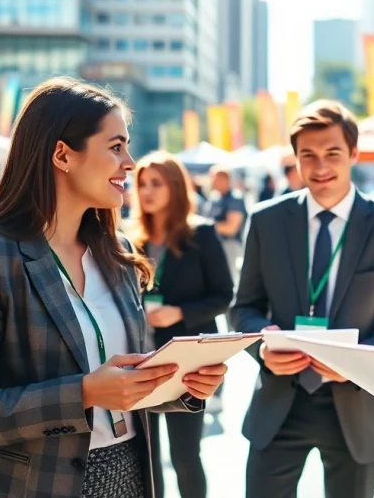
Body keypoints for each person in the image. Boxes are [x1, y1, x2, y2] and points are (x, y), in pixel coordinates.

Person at [0, 77, 228, 498]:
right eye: (115, 147)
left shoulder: (118, 251)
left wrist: (183, 385)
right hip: (30, 485)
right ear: (62, 155)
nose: (130, 163)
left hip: (127, 475)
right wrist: (84, 393)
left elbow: (123, 382)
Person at [229, 100, 374, 498]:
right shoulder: (266, 221)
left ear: (354, 154)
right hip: (279, 403)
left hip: (356, 409)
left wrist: (359, 363)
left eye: (332, 153)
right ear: (296, 159)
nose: (320, 167)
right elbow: (243, 309)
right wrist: (261, 346)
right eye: (309, 155)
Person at [132, 150, 234, 498]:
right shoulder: (131, 240)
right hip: (140, 360)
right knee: (146, 458)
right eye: (142, 183)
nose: (147, 191)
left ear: (175, 187)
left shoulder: (201, 235)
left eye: (156, 183)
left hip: (187, 365)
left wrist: (180, 313)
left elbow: (224, 295)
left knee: (186, 455)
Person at [201, 166, 246, 281]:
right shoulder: (214, 198)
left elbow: (231, 228)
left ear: (224, 179)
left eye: (215, 179)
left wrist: (207, 226)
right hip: (213, 244)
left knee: (229, 279)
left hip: (229, 245)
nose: (212, 182)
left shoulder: (235, 198)